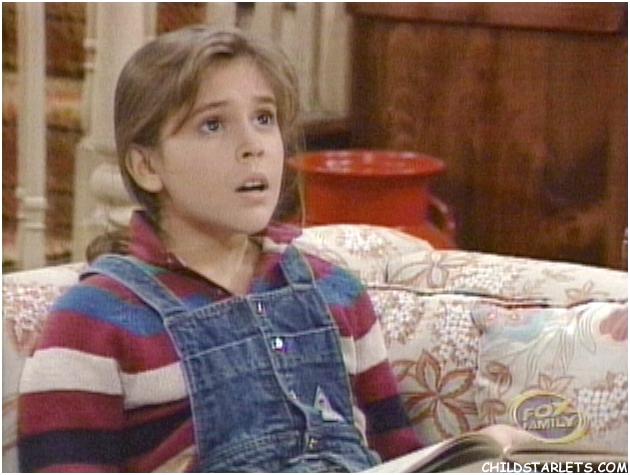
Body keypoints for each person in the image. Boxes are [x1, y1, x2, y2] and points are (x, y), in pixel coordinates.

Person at [17, 25, 423, 472]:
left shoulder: (336, 292)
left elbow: (403, 455)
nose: (252, 147)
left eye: (264, 119)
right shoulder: (94, 320)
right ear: (147, 166)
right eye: (212, 125)